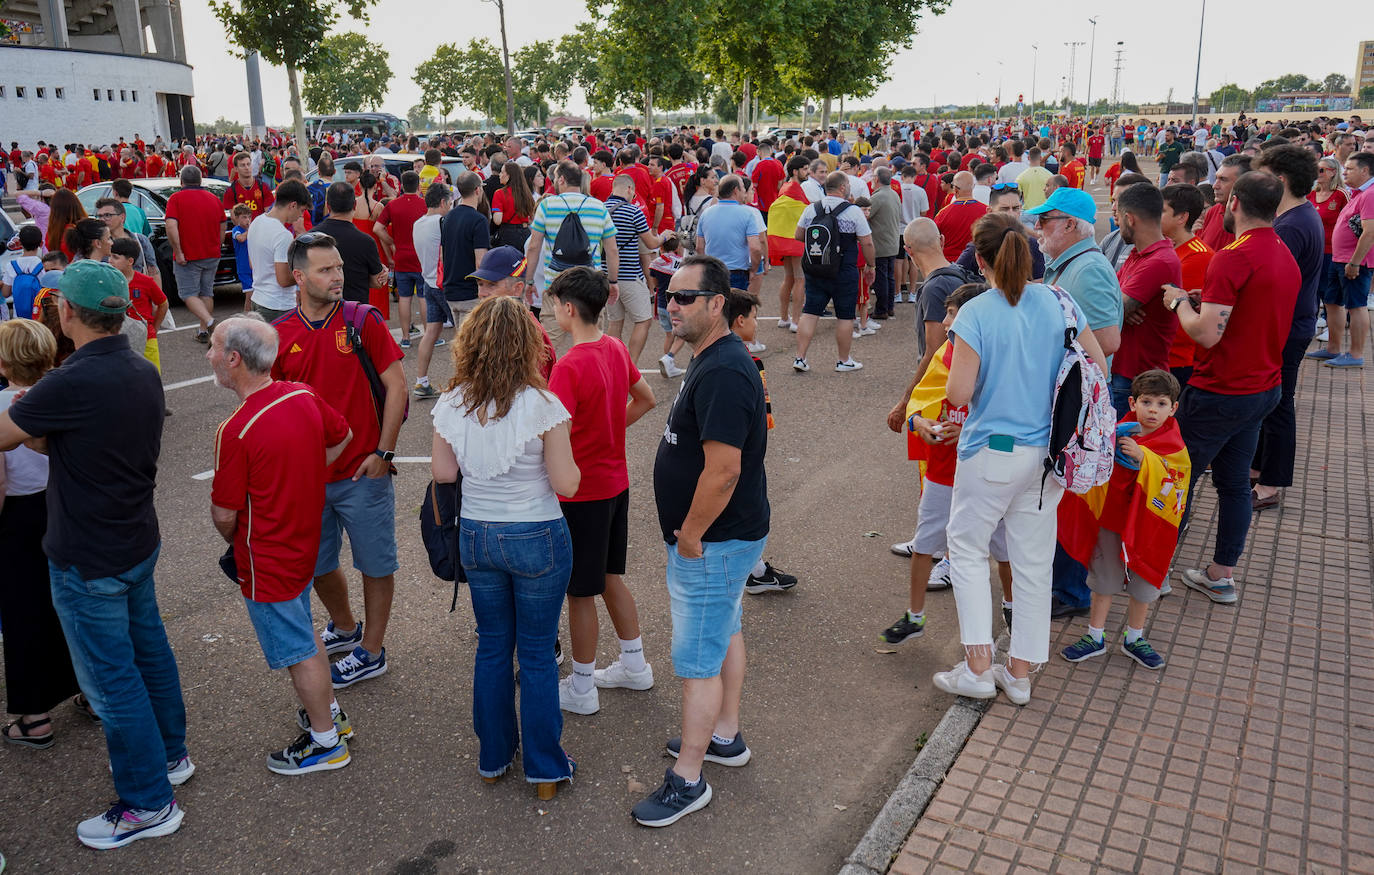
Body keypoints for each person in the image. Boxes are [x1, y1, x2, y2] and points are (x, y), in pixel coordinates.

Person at [0, 260, 191, 849]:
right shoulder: (137, 367)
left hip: (89, 552)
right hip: (135, 537)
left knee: (112, 681)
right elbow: (63, 439)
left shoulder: (69, 380)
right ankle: (170, 756)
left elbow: (11, 433)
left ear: (67, 312)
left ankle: (147, 802)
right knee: (149, 651)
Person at [930, 213, 1107, 706]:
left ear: (980, 260)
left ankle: (978, 667)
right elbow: (1099, 364)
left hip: (991, 452)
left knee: (966, 551)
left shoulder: (977, 312)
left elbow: (959, 392)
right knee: (1032, 564)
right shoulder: (1060, 301)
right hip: (1049, 455)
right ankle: (1020, 673)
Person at [634, 255, 770, 828]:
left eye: (685, 297)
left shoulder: (721, 370)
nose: (672, 304)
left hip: (712, 542)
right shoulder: (710, 359)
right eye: (668, 294)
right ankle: (725, 735)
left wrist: (690, 533)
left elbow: (723, 471)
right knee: (724, 633)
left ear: (717, 303)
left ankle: (689, 778)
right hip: (724, 539)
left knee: (696, 660)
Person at [430, 294, 580, 799]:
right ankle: (544, 770)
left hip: (477, 532)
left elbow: (443, 474)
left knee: (492, 646)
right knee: (537, 655)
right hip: (536, 531)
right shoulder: (543, 405)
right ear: (528, 346)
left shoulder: (452, 402)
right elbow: (568, 483)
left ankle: (494, 758)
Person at [208, 315, 356, 775]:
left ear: (234, 359)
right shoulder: (302, 394)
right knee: (305, 630)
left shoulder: (236, 430)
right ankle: (329, 717)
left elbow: (224, 514)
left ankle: (325, 741)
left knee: (297, 647)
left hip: (266, 554)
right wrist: (306, 475)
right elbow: (343, 436)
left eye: (213, 347)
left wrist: (241, 535)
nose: (208, 355)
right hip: (303, 539)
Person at [271, 232, 406, 688]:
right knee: (318, 564)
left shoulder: (361, 319)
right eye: (325, 269)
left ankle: (372, 651)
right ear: (299, 275)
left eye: (339, 268)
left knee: (375, 563)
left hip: (363, 471)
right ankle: (347, 627)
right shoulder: (280, 334)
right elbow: (270, 406)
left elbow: (397, 388)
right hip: (308, 479)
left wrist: (383, 453)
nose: (337, 277)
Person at [1162, 172, 1299, 606]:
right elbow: (1254, 309)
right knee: (1234, 483)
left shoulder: (1232, 257)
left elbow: (1205, 335)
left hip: (1220, 391)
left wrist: (1180, 301)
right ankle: (1221, 573)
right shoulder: (1282, 252)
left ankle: (1150, 569)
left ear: (1235, 203)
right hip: (1263, 387)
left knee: (1174, 478)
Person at [541, 267, 657, 716]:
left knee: (580, 592)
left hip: (581, 494)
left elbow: (555, 436)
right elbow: (645, 398)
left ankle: (583, 686)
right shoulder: (614, 347)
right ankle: (634, 664)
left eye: (555, 304)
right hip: (615, 483)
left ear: (568, 309)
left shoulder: (569, 367)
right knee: (610, 577)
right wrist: (610, 429)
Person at [881, 282, 1015, 645]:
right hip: (942, 473)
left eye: (952, 314)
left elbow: (1014, 432)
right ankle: (915, 615)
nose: (943, 322)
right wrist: (918, 423)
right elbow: (918, 405)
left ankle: (1011, 605)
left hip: (988, 474)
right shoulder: (946, 355)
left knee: (1002, 549)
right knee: (925, 544)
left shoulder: (1000, 360)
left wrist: (970, 432)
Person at [1058, 370, 1189, 670]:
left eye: (1161, 404)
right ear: (1132, 401)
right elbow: (1097, 459)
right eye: (1146, 402)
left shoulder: (1173, 440)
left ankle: (1135, 638)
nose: (1153, 410)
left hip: (1148, 527)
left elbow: (1178, 474)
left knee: (1144, 579)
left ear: (1174, 408)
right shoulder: (1119, 429)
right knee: (1103, 578)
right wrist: (1112, 444)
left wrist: (1145, 459)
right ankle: (1095, 636)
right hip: (1112, 520)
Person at [0, 319, 82, 751]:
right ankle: (88, 689)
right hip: (64, 506)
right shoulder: (64, 396)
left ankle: (34, 717)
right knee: (75, 602)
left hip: (18, 516)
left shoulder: (4, 406)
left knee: (24, 613)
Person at [1250, 145, 1324, 510]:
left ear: (1279, 181)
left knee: (1278, 404)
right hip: (1292, 323)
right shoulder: (1298, 215)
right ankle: (1258, 467)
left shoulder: (1292, 225)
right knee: (1272, 402)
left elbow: (1272, 285)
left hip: (1287, 327)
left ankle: (1271, 482)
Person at [1109, 183, 1183, 416]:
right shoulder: (1139, 254)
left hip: (1134, 379)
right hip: (1127, 373)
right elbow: (1112, 298)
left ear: (1130, 219)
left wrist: (1119, 309)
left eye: (1118, 216)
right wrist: (1120, 308)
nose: (1116, 222)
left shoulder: (1159, 261)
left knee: (1122, 450)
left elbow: (1110, 310)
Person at [415, 171, 489, 400]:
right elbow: (480, 261)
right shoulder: (477, 220)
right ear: (477, 190)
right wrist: (485, 289)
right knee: (476, 346)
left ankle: (454, 387)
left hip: (446, 287)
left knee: (460, 343)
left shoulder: (445, 219)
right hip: (468, 291)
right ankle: (473, 393)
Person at [791, 171, 875, 373]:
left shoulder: (812, 209)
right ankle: (843, 360)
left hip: (815, 267)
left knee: (810, 312)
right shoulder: (853, 211)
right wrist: (871, 266)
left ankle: (800, 358)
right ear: (843, 187)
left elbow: (799, 235)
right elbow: (867, 242)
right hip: (844, 270)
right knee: (845, 316)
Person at [524, 162, 620, 318]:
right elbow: (612, 250)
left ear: (561, 179)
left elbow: (534, 247)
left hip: (556, 284)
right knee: (591, 337)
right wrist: (613, 281)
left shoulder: (547, 205)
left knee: (553, 337)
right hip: (591, 283)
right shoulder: (599, 207)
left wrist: (529, 281)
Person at [604, 174, 673, 365]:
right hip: (629, 276)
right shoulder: (633, 212)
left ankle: (612, 364)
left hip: (606, 276)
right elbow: (650, 243)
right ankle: (629, 365)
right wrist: (665, 237)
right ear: (629, 189)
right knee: (643, 320)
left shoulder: (600, 209)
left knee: (615, 322)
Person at [1318, 153, 1374, 368]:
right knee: (1332, 302)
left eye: (1349, 169)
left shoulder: (1369, 194)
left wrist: (1355, 262)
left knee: (1356, 305)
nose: (1345, 172)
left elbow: (1369, 232)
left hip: (1353, 261)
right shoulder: (1359, 193)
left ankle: (1356, 354)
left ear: (1365, 171)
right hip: (1339, 258)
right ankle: (1333, 348)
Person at [1160, 184, 1216, 389]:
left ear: (1182, 217)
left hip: (1178, 360)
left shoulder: (1198, 256)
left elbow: (1169, 307)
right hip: (1163, 354)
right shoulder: (1166, 247)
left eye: (1162, 210)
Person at [164, 165, 224, 342]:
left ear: (181, 181)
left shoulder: (175, 199)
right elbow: (222, 225)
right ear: (200, 180)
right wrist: (217, 245)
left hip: (189, 255)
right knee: (206, 293)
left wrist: (178, 251)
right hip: (211, 253)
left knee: (188, 294)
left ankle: (210, 322)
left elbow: (171, 225)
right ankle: (203, 330)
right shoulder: (214, 198)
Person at [246, 179, 312, 322]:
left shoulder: (256, 221)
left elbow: (252, 264)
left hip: (258, 298)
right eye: (301, 211)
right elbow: (283, 280)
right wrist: (307, 275)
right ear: (293, 205)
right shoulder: (283, 235)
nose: (300, 216)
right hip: (278, 305)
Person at [374, 171, 428, 340]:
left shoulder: (393, 205)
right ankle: (428, 336)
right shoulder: (425, 205)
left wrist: (392, 242)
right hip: (421, 257)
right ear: (418, 185)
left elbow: (377, 228)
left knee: (404, 297)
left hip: (401, 256)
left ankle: (405, 337)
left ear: (402, 186)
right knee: (423, 297)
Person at [314, 181, 388, 306]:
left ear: (328, 206)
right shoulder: (366, 242)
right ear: (354, 205)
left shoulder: (312, 237)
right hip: (354, 311)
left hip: (320, 310)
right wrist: (382, 272)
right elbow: (377, 282)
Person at [695, 175, 766, 291]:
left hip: (713, 270)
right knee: (736, 307)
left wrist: (705, 268)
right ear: (735, 191)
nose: (744, 191)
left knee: (715, 306)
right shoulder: (747, 214)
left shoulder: (706, 213)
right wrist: (754, 269)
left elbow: (699, 247)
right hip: (737, 273)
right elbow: (755, 248)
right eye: (743, 187)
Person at [108, 237, 168, 371]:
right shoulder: (108, 282)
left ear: (130, 261)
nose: (110, 260)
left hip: (146, 336)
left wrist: (154, 328)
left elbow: (163, 303)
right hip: (118, 337)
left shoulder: (146, 281)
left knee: (151, 374)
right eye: (110, 256)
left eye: (115, 257)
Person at [767, 156, 811, 329]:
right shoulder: (795, 188)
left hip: (783, 239)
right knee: (800, 279)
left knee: (789, 278)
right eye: (805, 169)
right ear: (795, 171)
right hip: (796, 239)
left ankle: (784, 317)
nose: (807, 172)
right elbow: (806, 210)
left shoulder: (784, 187)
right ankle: (796, 320)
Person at [867, 166, 903, 320]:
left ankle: (881, 309)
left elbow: (865, 215)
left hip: (880, 243)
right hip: (892, 242)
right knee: (888, 276)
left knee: (881, 278)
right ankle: (889, 307)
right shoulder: (893, 194)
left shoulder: (878, 196)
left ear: (876, 179)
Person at [1, 225, 45, 321]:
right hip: (38, 317)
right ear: (41, 244)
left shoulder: (11, 266)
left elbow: (5, 293)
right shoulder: (43, 266)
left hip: (19, 318)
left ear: (20, 243)